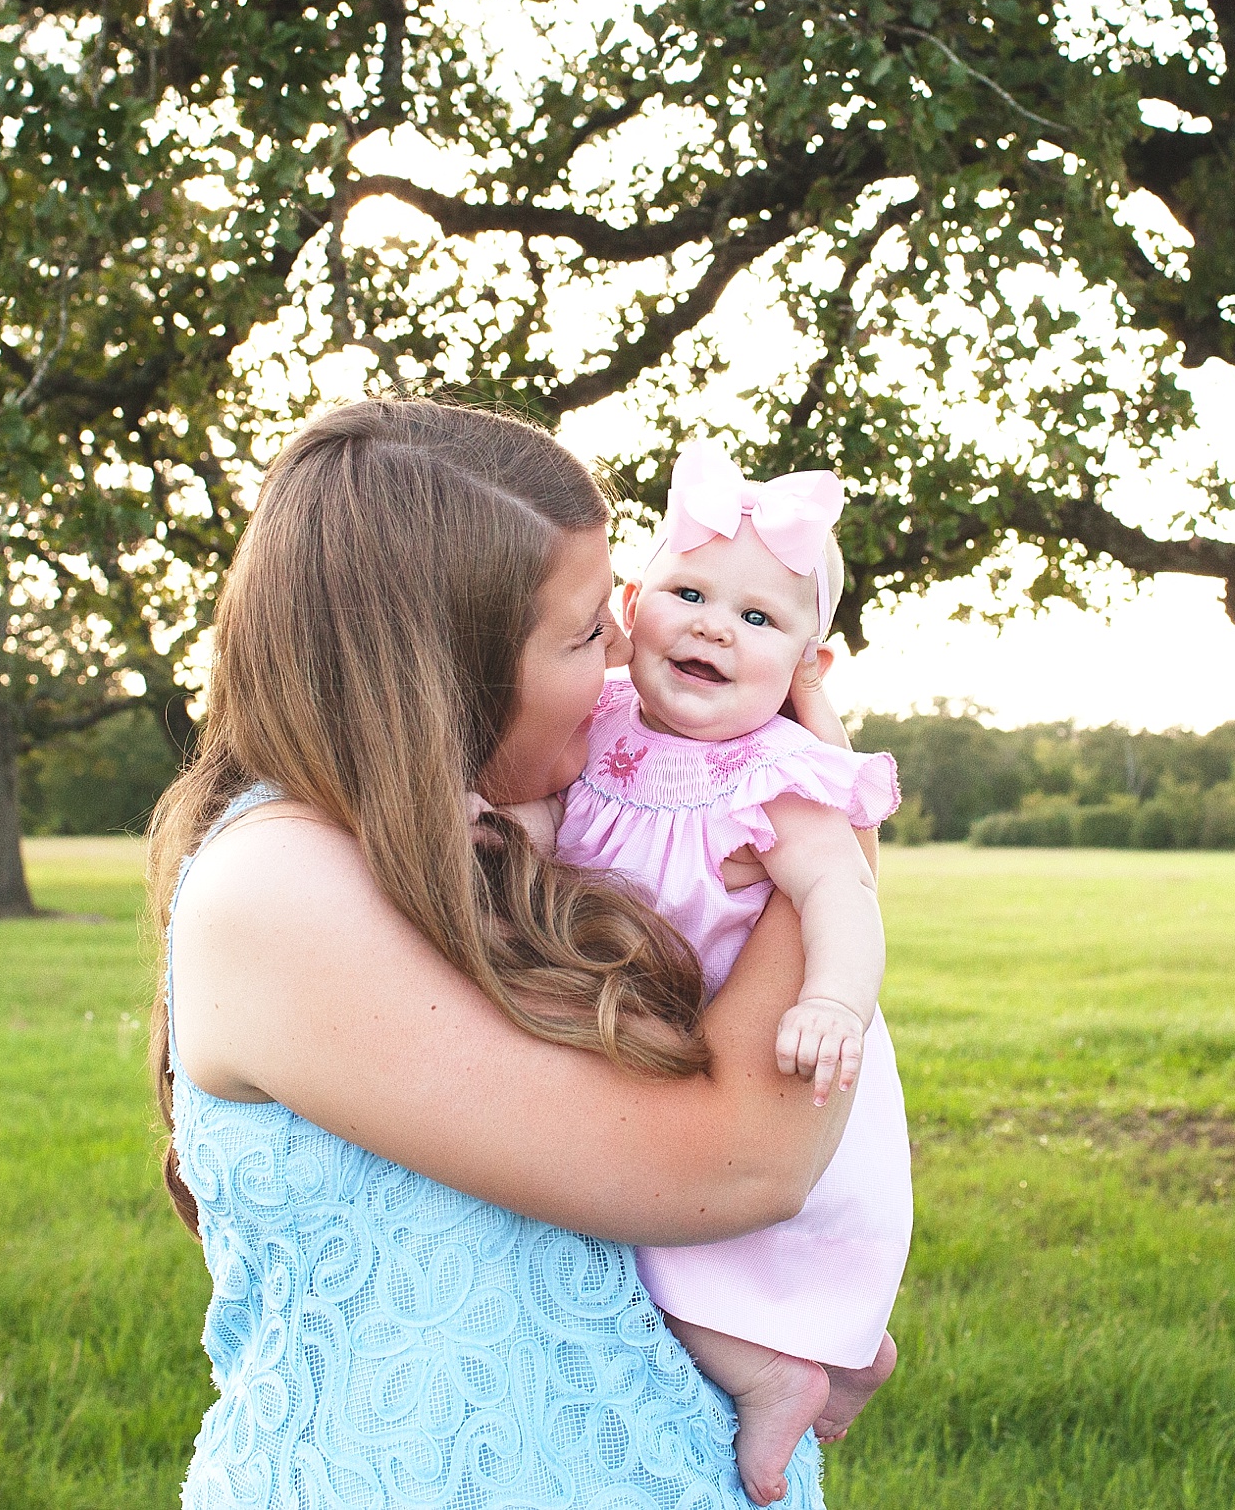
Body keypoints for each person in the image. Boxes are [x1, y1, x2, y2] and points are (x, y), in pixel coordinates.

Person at [149, 400, 867, 1508]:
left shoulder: (512, 829)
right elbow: (738, 1162)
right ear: (445, 669)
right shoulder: (278, 885)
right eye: (588, 633)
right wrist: (830, 811)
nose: (633, 650)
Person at [511, 442, 910, 1504]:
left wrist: (831, 999)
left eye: (758, 619)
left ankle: (777, 1370)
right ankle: (847, 1350)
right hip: (639, 1025)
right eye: (689, 594)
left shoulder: (776, 777)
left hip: (755, 1036)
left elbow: (842, 896)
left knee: (661, 1237)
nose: (712, 627)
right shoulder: (593, 719)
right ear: (630, 607)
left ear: (803, 669)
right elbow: (548, 818)